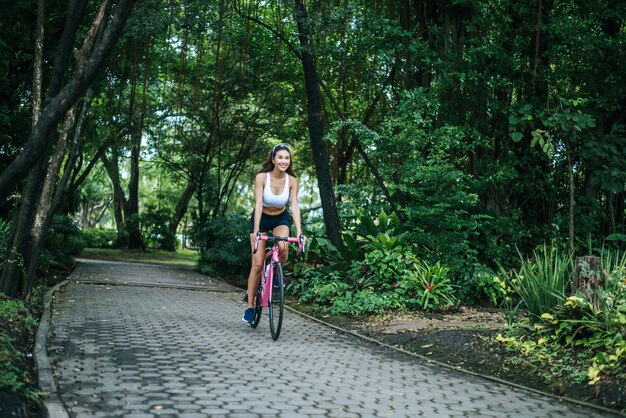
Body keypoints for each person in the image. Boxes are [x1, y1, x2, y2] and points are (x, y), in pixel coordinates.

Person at [242, 143, 305, 324]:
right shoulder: (262, 177)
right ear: (273, 159)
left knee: (284, 246)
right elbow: (258, 205)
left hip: (280, 218)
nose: (284, 161)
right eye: (280, 157)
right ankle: (250, 306)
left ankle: (275, 271)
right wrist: (255, 231)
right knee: (257, 264)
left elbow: (294, 206)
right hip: (260, 219)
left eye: (287, 158)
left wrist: (299, 232)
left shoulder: (292, 180)